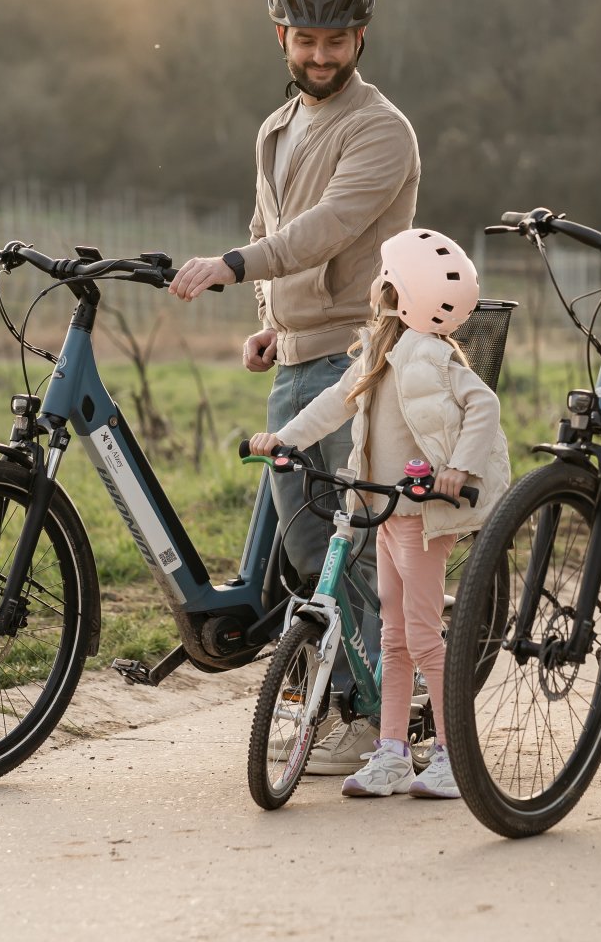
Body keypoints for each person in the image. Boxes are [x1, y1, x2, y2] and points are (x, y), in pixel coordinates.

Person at [170, 0, 421, 773]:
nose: (321, 56)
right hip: (299, 354)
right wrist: (269, 319)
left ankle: (367, 713)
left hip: (357, 356)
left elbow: (329, 226)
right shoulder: (276, 128)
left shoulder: (381, 129)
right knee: (311, 548)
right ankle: (339, 700)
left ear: (361, 38)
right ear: (281, 36)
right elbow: (269, 212)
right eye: (307, 40)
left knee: (344, 548)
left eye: (337, 41)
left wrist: (236, 266)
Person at [249, 229, 512, 800]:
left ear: (397, 290)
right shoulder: (377, 351)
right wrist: (285, 439)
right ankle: (391, 753)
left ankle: (450, 754)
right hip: (383, 510)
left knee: (420, 635)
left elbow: (482, 404)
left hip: (419, 514)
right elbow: (335, 402)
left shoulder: (432, 355)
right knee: (394, 635)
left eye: (383, 277)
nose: (376, 286)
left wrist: (459, 470)